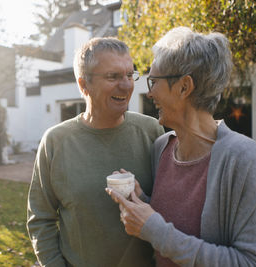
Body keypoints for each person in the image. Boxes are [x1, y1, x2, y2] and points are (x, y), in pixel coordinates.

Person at [106, 27, 256, 266]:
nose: (149, 93)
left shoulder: (245, 159)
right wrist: (142, 202)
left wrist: (155, 230)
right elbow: (173, 224)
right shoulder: (162, 149)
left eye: (154, 81)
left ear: (184, 87)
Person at [27, 37, 164, 266]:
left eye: (130, 75)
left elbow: (170, 210)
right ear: (83, 85)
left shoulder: (153, 132)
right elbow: (40, 219)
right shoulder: (55, 142)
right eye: (113, 76)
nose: (127, 85)